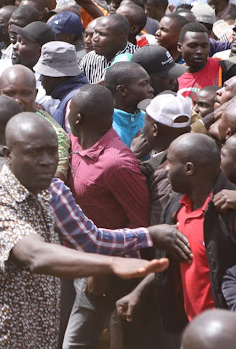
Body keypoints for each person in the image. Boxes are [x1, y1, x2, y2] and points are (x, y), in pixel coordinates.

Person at [0, 112, 169, 348]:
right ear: (8, 156)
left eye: (51, 151)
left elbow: (90, 238)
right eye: (33, 153)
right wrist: (110, 263)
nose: (46, 161)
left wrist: (149, 234)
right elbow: (36, 255)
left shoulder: (48, 192)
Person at [116, 134, 236, 336]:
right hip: (189, 330)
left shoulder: (228, 211)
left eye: (170, 162)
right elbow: (169, 260)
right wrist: (139, 292)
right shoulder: (176, 206)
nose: (167, 169)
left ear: (189, 169)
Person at [63, 84, 152, 348]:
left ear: (78, 118)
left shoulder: (117, 163)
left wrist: (102, 267)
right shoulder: (76, 141)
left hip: (102, 271)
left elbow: (140, 223)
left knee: (76, 343)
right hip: (72, 259)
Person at [0, 65, 70, 180]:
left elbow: (56, 181)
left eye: (25, 93)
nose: (17, 100)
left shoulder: (53, 134)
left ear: (35, 94)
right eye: (10, 94)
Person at [139, 92, 194, 225]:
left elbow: (159, 224)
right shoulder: (196, 154)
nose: (142, 128)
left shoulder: (167, 174)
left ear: (154, 129)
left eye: (145, 122)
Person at [35, 41, 89, 131]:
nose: (40, 79)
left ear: (57, 77)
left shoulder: (73, 103)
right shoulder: (73, 96)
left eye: (44, 75)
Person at [177, 22, 236, 99]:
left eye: (204, 46)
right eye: (193, 46)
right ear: (180, 47)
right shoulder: (174, 77)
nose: (199, 51)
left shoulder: (226, 69)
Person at [104, 62, 154, 146]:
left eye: (149, 83)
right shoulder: (106, 129)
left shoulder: (147, 119)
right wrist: (134, 154)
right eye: (144, 84)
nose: (151, 89)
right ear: (122, 90)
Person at [80, 14, 139, 83]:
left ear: (120, 39)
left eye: (102, 34)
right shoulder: (89, 58)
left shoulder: (136, 58)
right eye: (95, 32)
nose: (95, 38)